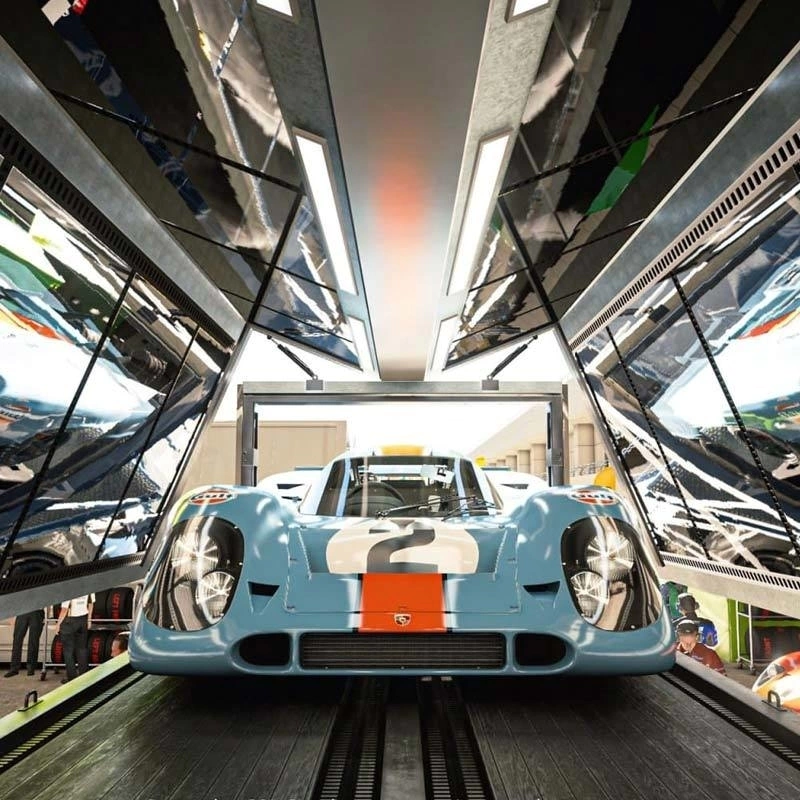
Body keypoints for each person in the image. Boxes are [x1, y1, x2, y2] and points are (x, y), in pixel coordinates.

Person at [56, 593, 95, 683]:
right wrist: (89, 619)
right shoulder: (89, 587)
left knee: (68, 651)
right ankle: (84, 677)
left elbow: (64, 609)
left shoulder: (69, 589)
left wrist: (58, 624)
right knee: (82, 649)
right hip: (83, 619)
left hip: (69, 620)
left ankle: (72, 678)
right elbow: (91, 603)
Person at [4, 608, 45, 677]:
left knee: (33, 641)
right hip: (22, 611)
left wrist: (45, 617)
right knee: (17, 640)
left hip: (37, 612)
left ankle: (31, 669)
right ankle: (14, 668)